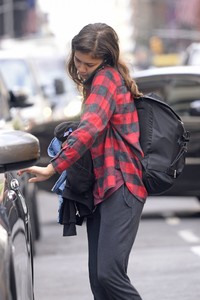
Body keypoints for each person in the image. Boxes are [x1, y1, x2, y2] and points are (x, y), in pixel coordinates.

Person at [18, 23, 148, 300]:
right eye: (78, 60)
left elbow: (91, 127)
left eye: (89, 63)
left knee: (108, 276)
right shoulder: (98, 81)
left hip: (121, 186)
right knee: (99, 283)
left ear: (106, 59)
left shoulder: (106, 79)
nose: (81, 68)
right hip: (103, 189)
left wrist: (53, 166)